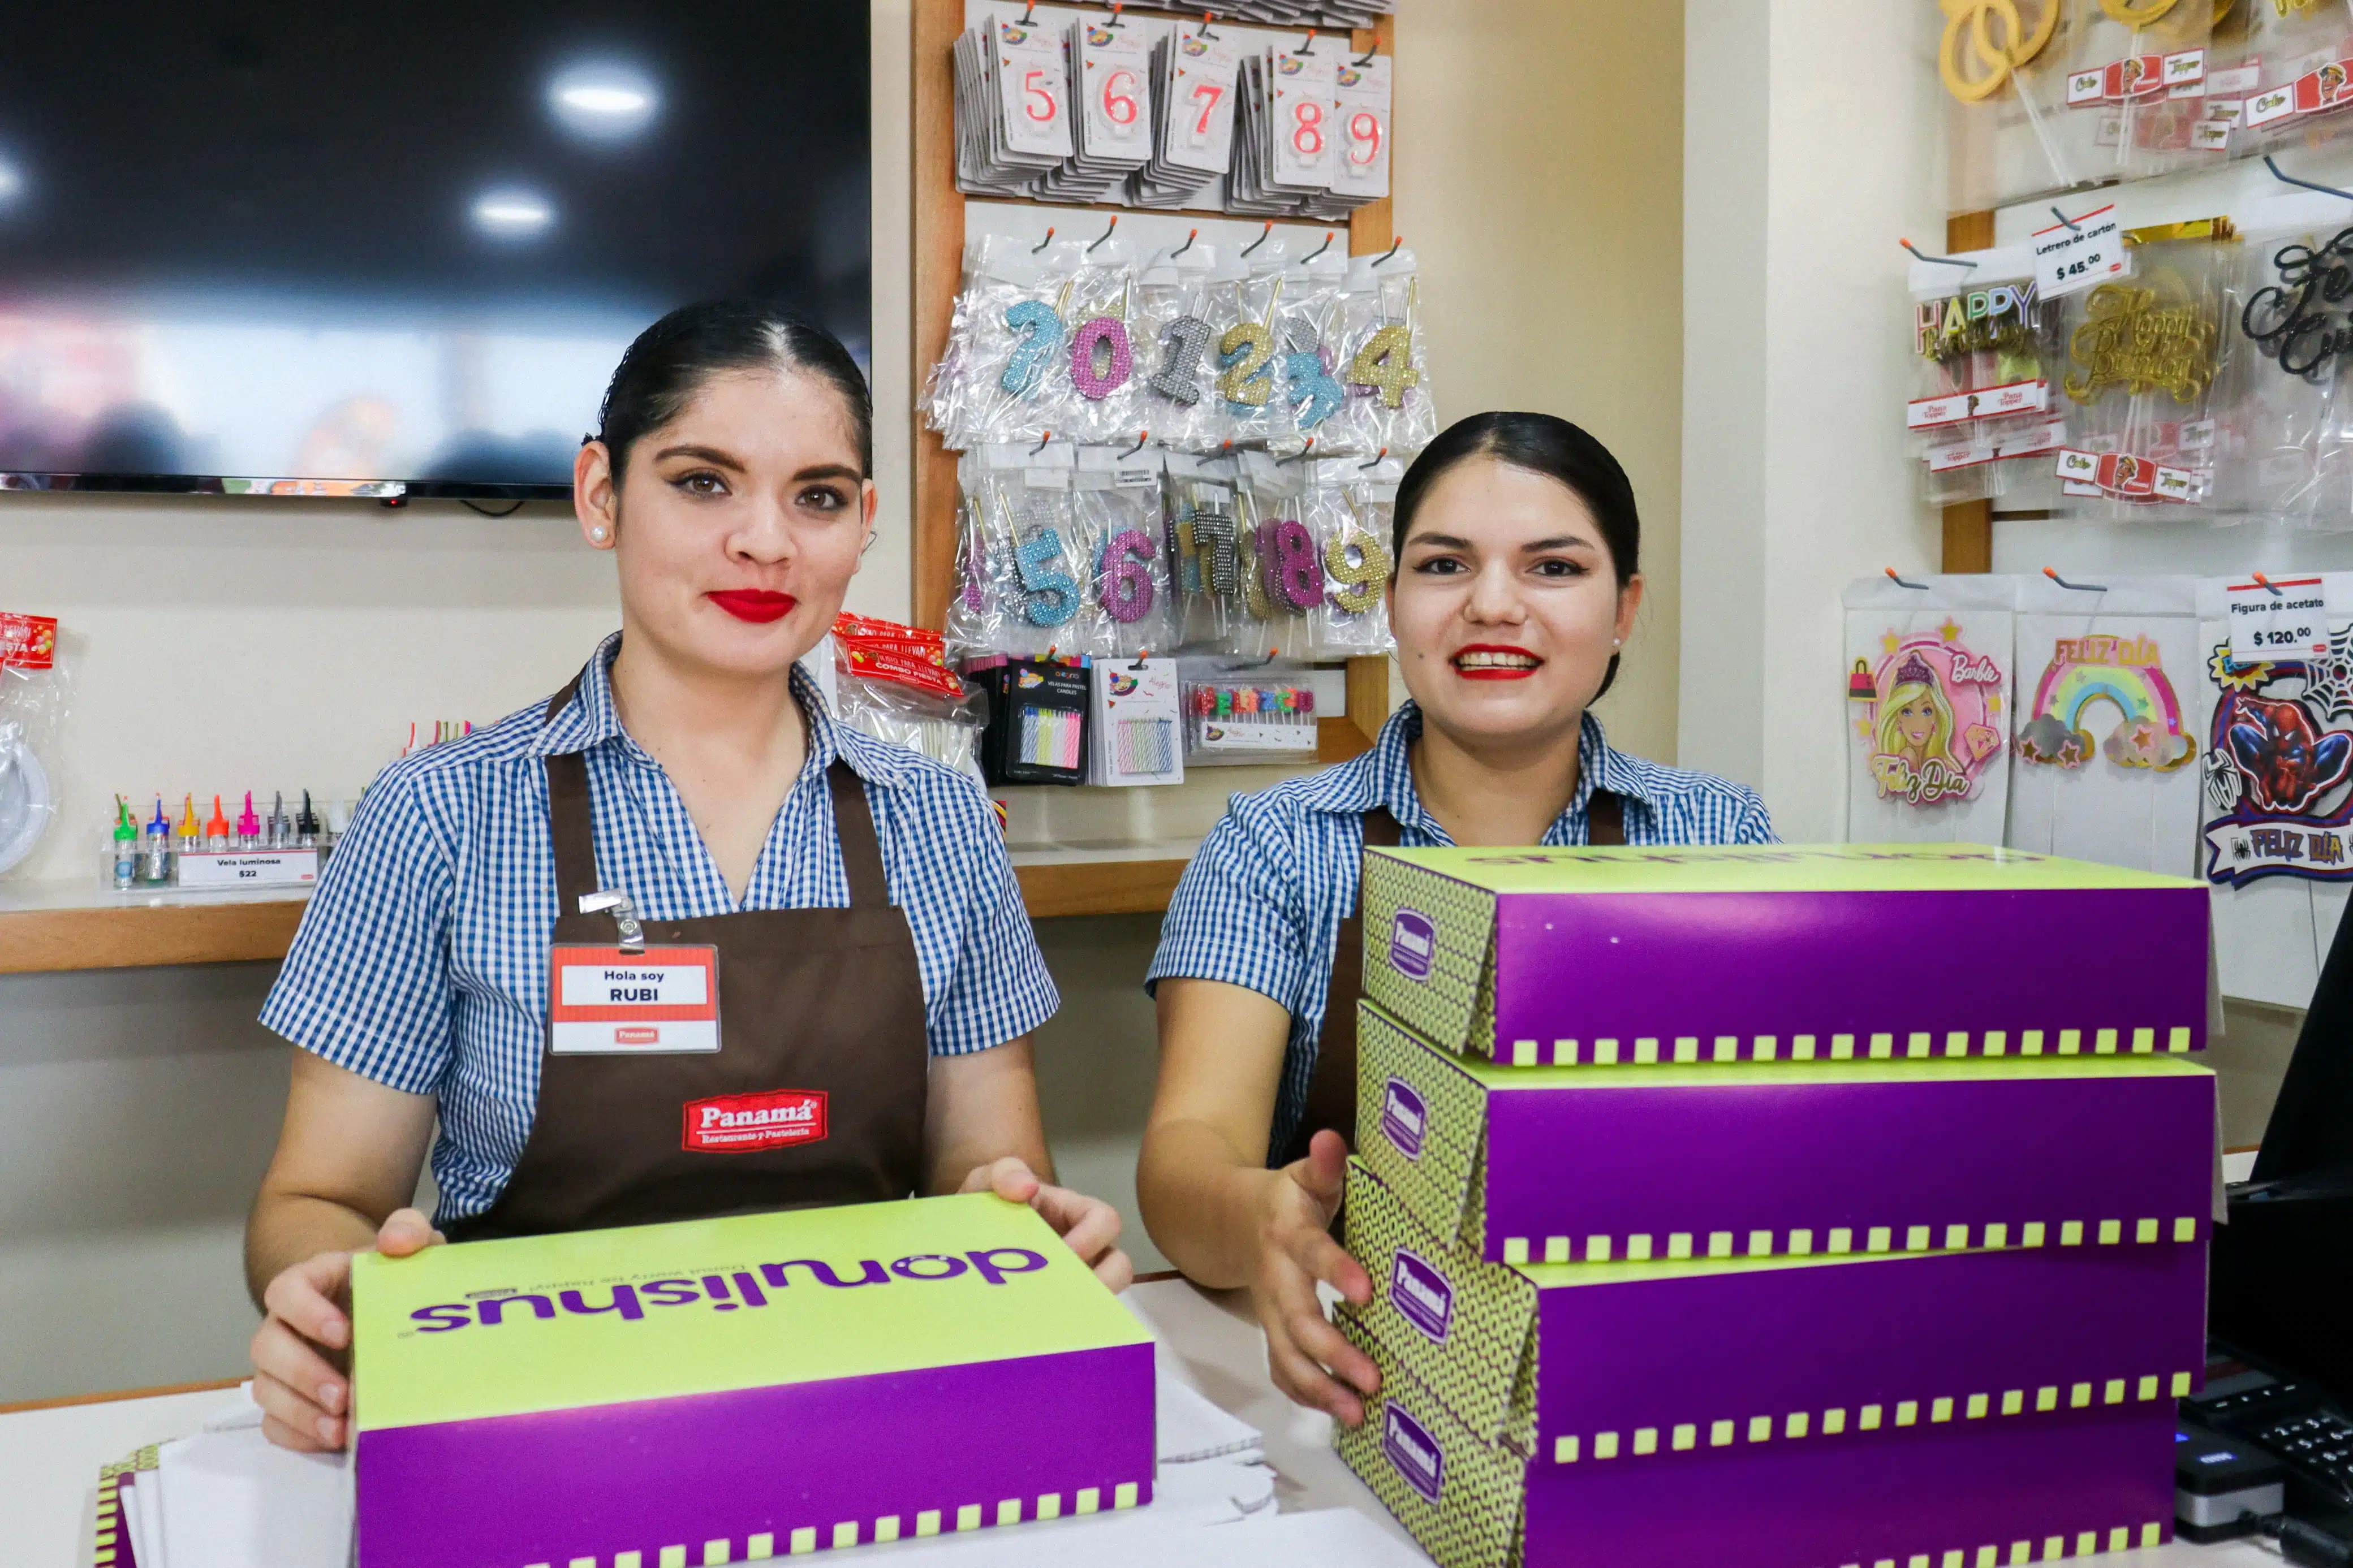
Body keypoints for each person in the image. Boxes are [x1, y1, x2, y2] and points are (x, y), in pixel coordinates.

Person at [243, 301, 1128, 1454]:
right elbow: (319, 1200)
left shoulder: (941, 822)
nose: (766, 541)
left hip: (864, 1421)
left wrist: (1029, 1227)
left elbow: (985, 1169)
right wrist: (335, 1297)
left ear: (861, 525)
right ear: (600, 495)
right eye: (704, 482)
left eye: (816, 497)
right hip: (532, 1432)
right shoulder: (439, 816)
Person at [1136, 412, 1776, 1426]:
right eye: (1444, 566)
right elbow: (1182, 1166)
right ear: (1392, 603)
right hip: (1363, 1389)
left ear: (1625, 609)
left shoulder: (1717, 835)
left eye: (1553, 569)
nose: (1492, 606)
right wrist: (1261, 1214)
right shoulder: (1278, 844)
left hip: (1639, 1369)